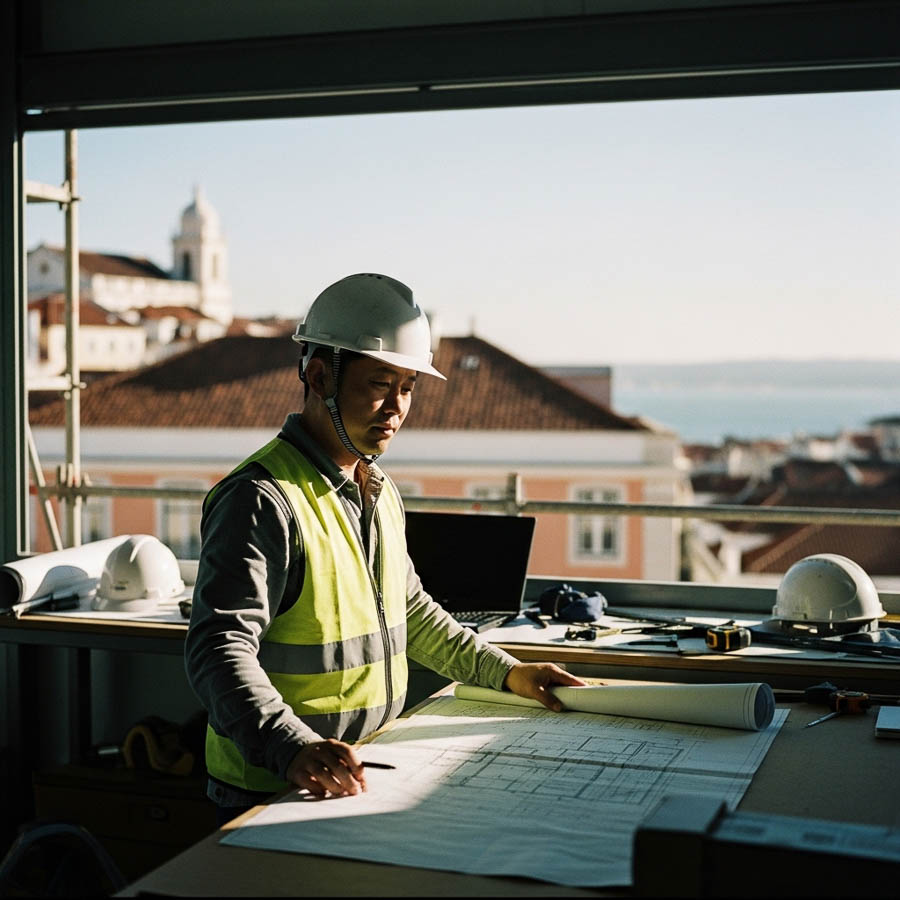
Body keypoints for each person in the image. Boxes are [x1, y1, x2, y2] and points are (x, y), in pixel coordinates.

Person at [184, 272, 583, 823]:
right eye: (379, 384)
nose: (396, 407)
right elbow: (218, 650)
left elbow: (411, 613)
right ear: (320, 376)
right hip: (272, 784)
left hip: (358, 768)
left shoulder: (378, 490)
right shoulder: (260, 499)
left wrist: (510, 672)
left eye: (408, 388)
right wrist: (291, 746)